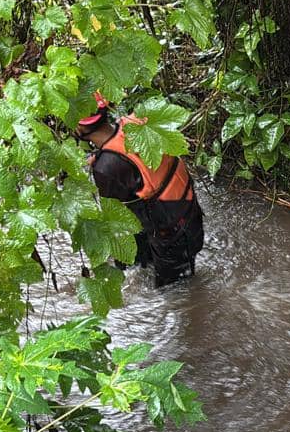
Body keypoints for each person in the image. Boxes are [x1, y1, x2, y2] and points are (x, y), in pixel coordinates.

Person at [75, 92, 204, 287]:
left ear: (79, 127)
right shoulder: (133, 124)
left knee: (175, 292)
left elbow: (116, 219)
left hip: (171, 233)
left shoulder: (106, 168)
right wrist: (103, 158)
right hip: (186, 212)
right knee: (159, 274)